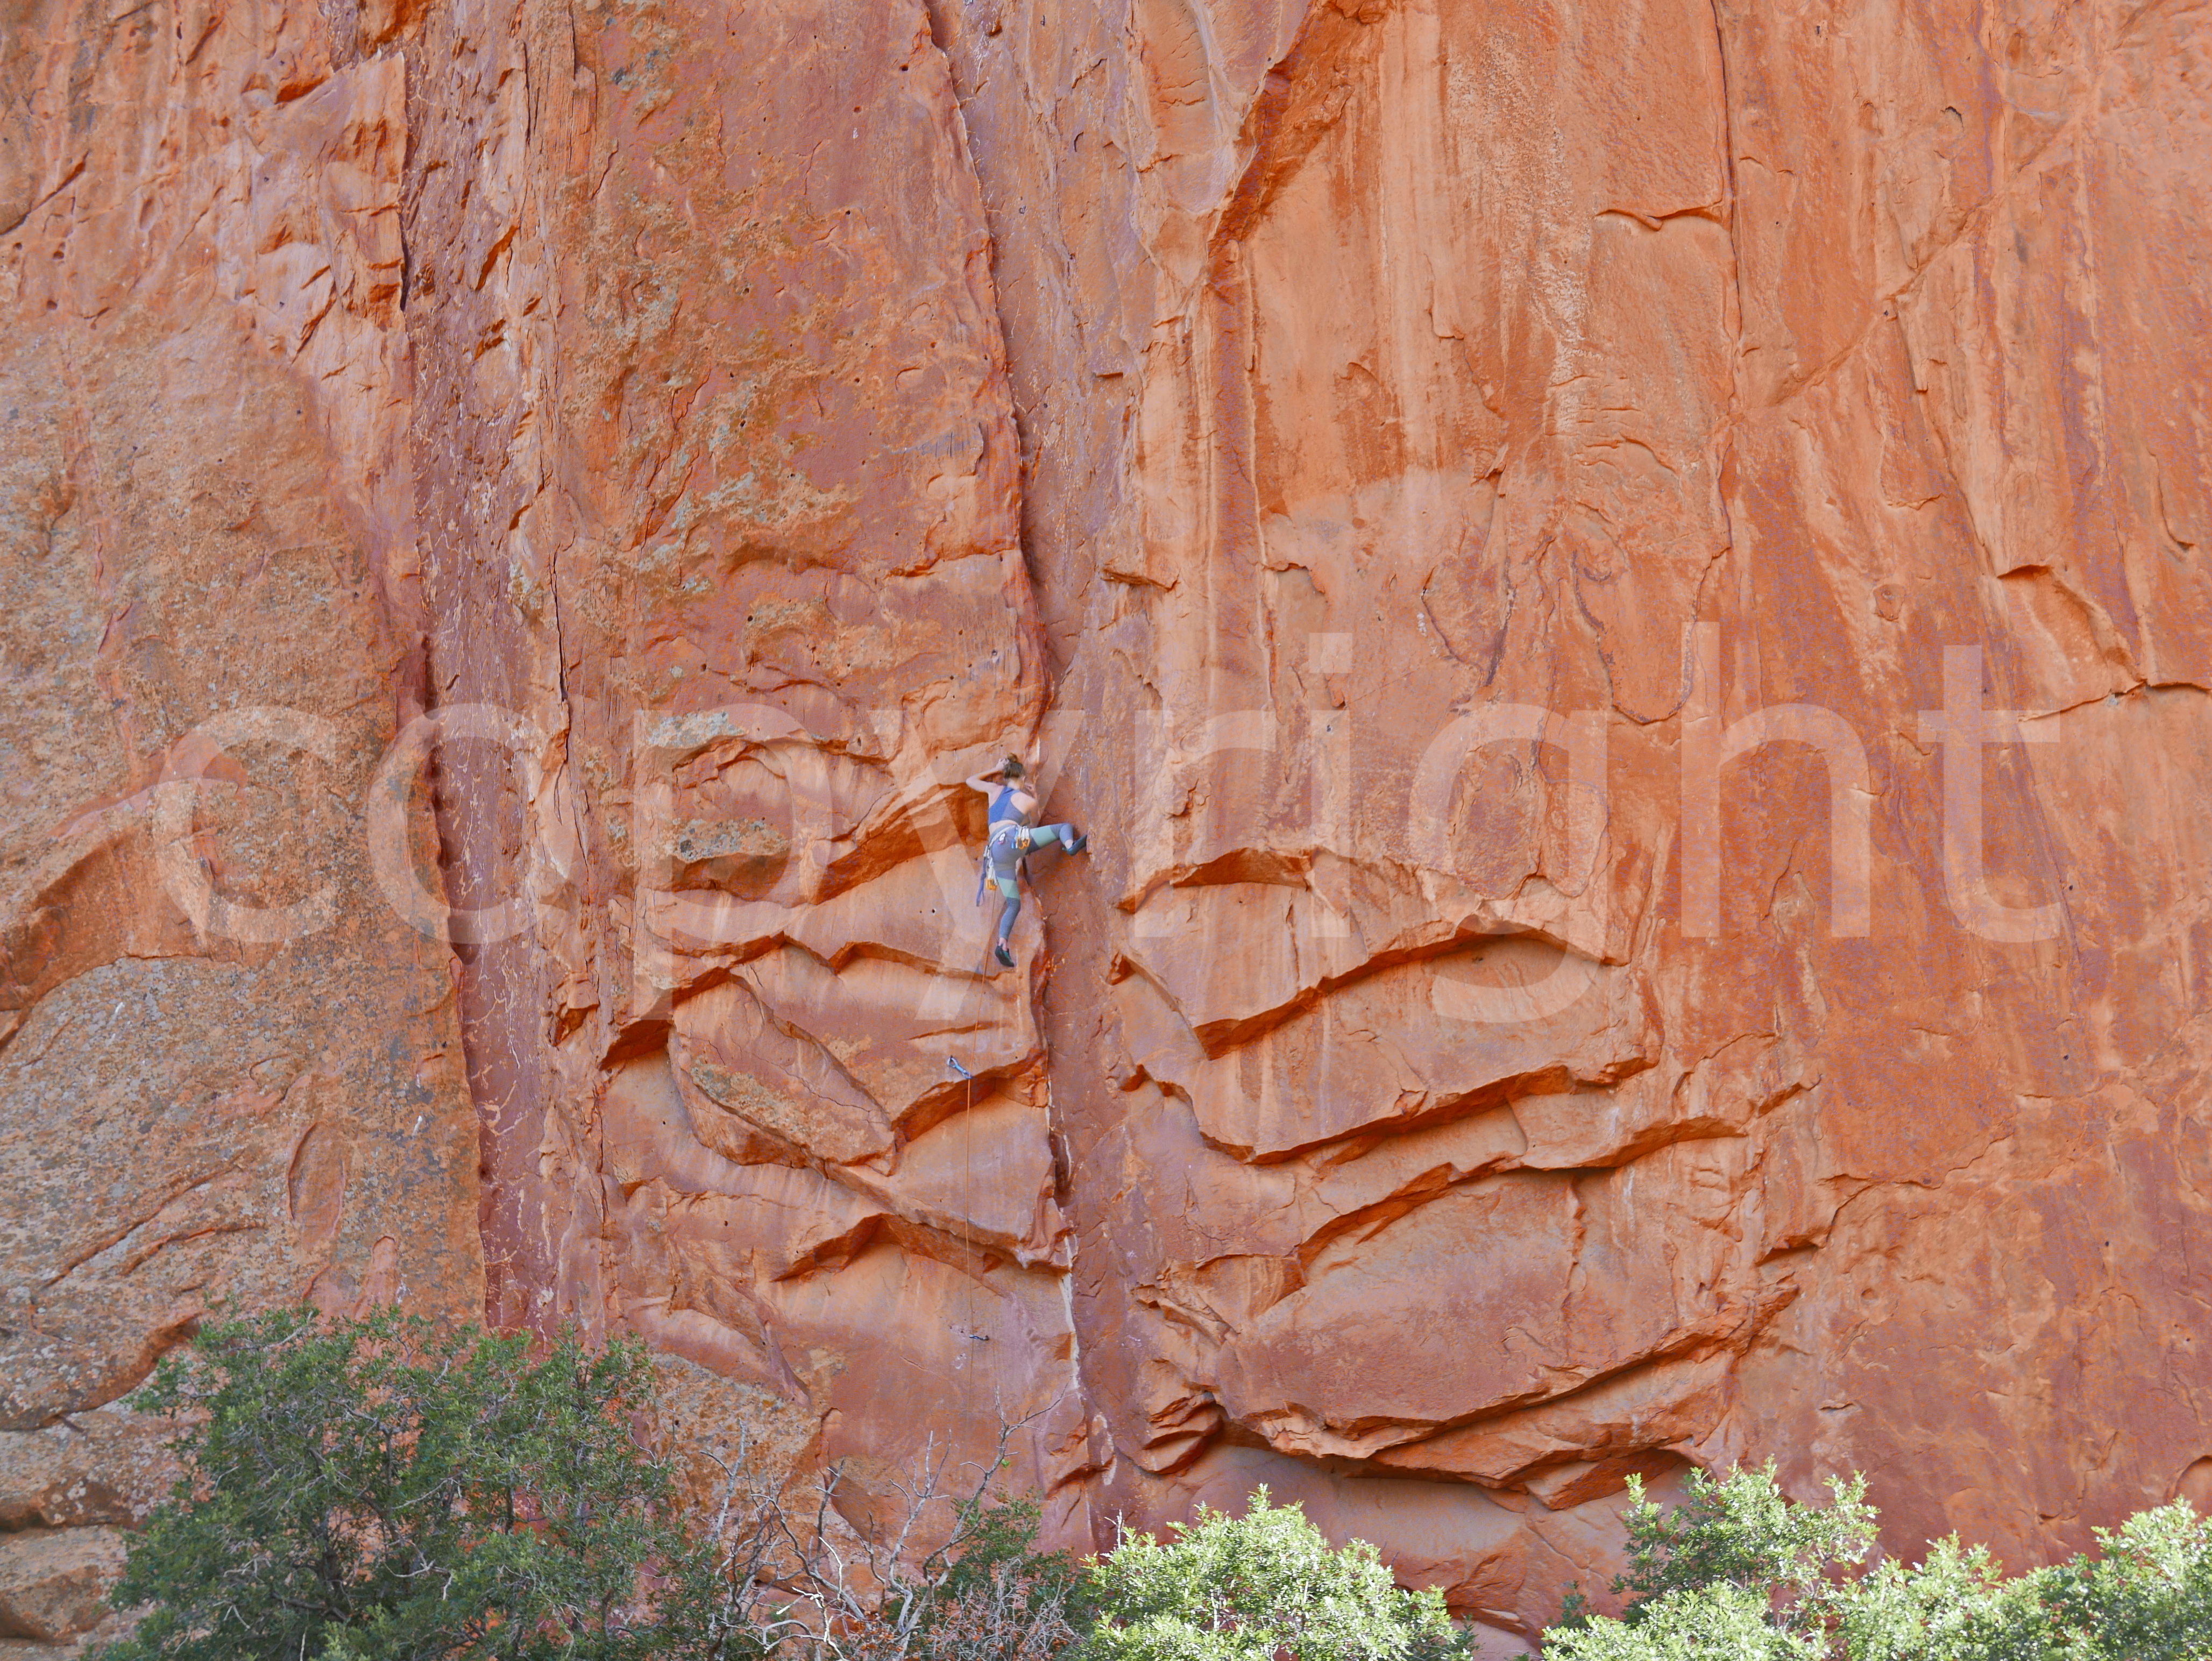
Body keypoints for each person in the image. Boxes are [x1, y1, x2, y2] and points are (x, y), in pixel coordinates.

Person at [967, 755, 1086, 969]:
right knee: (1061, 828)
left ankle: (1002, 944)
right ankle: (1070, 846)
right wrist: (1032, 793)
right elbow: (1032, 824)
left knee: (1013, 904)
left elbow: (970, 781)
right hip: (1014, 839)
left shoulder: (994, 791)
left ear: (1005, 776)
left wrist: (994, 768)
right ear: (1022, 777)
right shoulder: (1027, 799)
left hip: (995, 853)